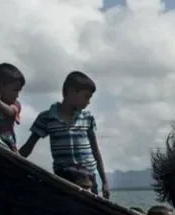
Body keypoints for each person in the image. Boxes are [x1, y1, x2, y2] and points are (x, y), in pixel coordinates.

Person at [20, 71, 110, 199]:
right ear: (71, 92)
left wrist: (105, 181)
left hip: (88, 177)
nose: (88, 102)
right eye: (86, 97)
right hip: (64, 178)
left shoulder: (87, 118)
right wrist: (12, 157)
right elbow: (28, 146)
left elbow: (96, 151)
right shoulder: (47, 118)